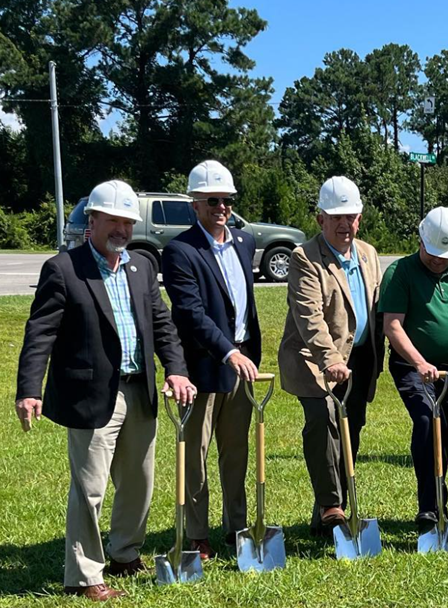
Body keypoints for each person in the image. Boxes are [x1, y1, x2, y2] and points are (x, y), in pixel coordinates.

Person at [15, 180, 193, 601]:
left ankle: (124, 553)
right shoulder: (64, 268)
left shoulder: (142, 267)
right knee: (90, 488)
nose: (122, 229)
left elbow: (162, 324)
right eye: (113, 220)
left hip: (139, 390)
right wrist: (28, 389)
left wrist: (177, 369)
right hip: (92, 395)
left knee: (138, 482)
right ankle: (84, 575)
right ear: (92, 220)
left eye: (128, 222)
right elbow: (40, 333)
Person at [161, 160, 261, 559]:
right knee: (195, 455)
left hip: (242, 366)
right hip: (203, 368)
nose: (222, 207)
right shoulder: (181, 250)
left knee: (236, 453)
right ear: (196, 204)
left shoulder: (244, 242)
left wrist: (243, 351)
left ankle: (237, 527)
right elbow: (189, 312)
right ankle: (198, 533)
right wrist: (228, 351)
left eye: (227, 200)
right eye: (213, 201)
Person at [278, 176, 383, 535]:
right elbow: (310, 317)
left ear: (360, 218)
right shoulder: (304, 257)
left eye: (350, 216)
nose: (344, 224)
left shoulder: (368, 254)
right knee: (323, 423)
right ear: (320, 219)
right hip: (313, 361)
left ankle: (329, 507)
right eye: (336, 217)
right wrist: (331, 359)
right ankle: (332, 506)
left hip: (359, 361)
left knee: (350, 431)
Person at [380, 207, 448, 530]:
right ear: (421, 240)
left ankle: (437, 501)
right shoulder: (400, 273)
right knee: (427, 420)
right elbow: (393, 326)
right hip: (412, 366)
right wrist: (420, 362)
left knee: (444, 436)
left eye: (445, 256)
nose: (439, 261)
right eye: (434, 254)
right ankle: (431, 506)